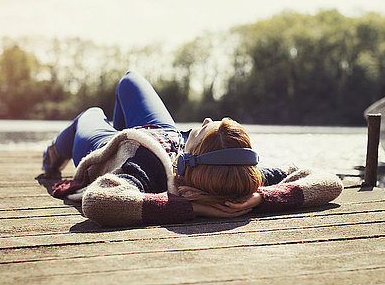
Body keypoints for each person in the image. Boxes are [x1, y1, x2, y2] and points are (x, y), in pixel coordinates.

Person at [42, 71, 343, 227]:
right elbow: (329, 182)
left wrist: (193, 208)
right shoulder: (239, 179)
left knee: (91, 113)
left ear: (190, 159)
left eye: (206, 128)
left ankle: (53, 153)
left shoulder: (147, 172)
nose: (207, 118)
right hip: (161, 132)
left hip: (117, 151)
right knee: (130, 80)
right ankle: (119, 127)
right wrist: (259, 197)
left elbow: (99, 201)